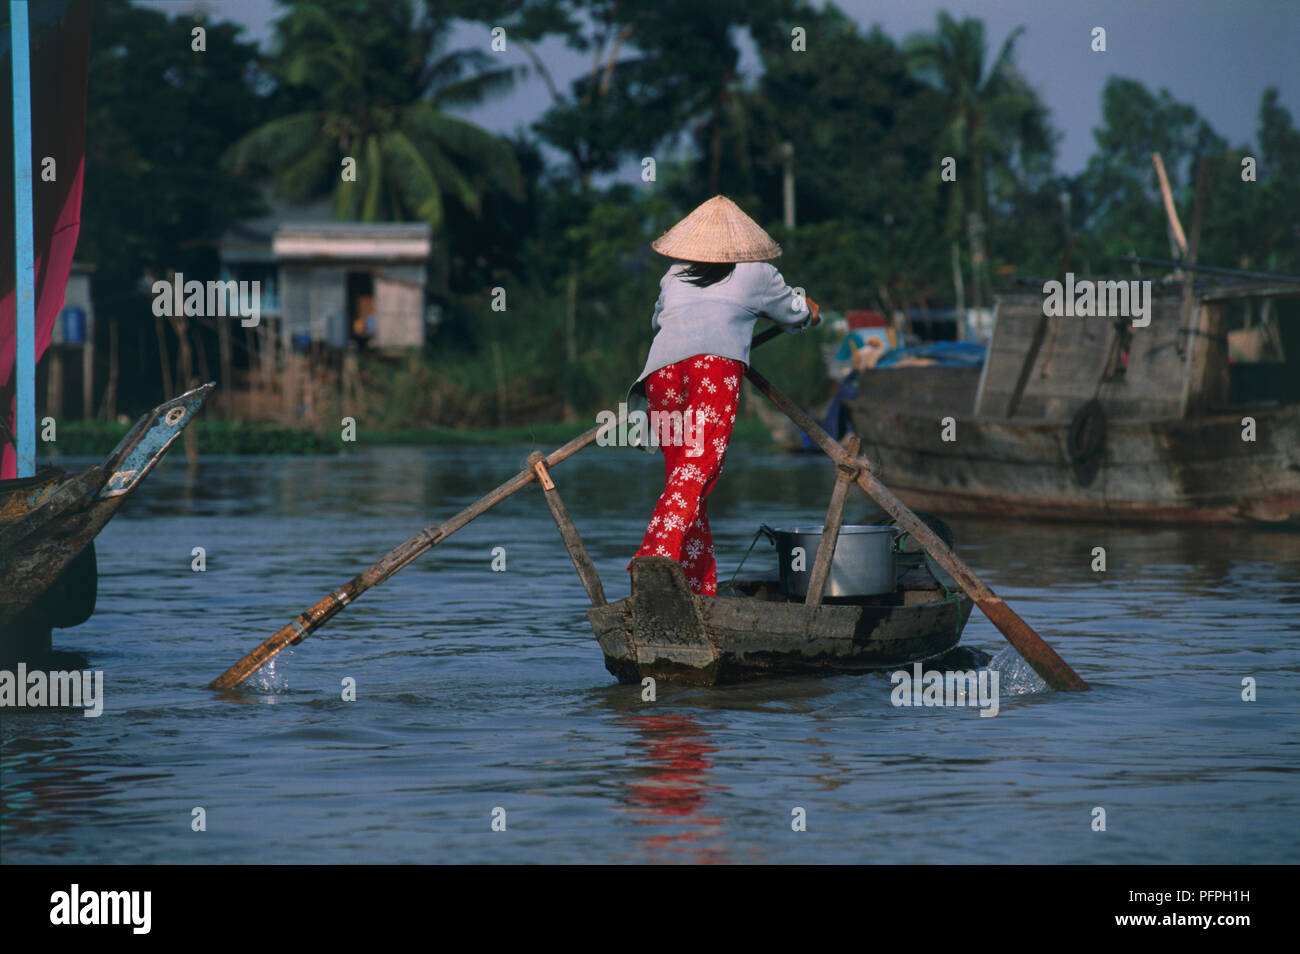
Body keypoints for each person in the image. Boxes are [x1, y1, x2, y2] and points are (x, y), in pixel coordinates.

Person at [627, 195, 820, 595]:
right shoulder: (760, 273)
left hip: (661, 372)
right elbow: (797, 313)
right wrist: (812, 311)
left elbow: (658, 319)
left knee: (683, 475)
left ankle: (697, 584)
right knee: (699, 466)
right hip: (712, 368)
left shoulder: (673, 274)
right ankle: (656, 552)